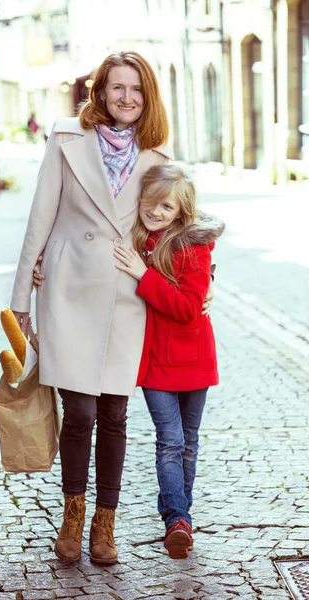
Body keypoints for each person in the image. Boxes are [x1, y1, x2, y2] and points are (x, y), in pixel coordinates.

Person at [10, 51, 173, 565]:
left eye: (136, 90)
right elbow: (40, 215)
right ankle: (72, 517)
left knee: (115, 413)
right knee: (78, 411)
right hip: (68, 288)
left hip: (125, 295)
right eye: (117, 88)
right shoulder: (66, 139)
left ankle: (105, 525)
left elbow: (171, 228)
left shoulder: (158, 155)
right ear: (100, 91)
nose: (126, 98)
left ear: (147, 98)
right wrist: (21, 299)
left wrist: (190, 275)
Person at [113, 163, 224, 559]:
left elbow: (188, 308)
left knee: (188, 443)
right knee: (170, 441)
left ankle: (183, 518)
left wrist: (145, 276)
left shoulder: (192, 247)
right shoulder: (136, 238)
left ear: (181, 211)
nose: (156, 211)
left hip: (193, 359)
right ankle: (176, 519)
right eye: (151, 202)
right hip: (156, 362)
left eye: (167, 207)